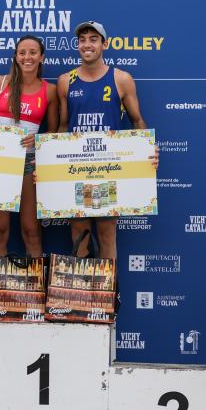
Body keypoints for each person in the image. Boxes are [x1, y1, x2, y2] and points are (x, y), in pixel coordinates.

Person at [57, 21, 159, 258]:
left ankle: (110, 294)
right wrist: (52, 167)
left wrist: (149, 150)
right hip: (75, 169)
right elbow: (62, 128)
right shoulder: (65, 81)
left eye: (93, 39)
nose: (87, 44)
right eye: (82, 40)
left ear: (104, 44)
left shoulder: (121, 79)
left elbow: (137, 121)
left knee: (106, 233)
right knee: (79, 234)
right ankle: (82, 293)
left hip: (109, 169)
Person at [0, 34, 58, 257]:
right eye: (22, 52)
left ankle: (35, 289)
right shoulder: (1, 82)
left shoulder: (50, 90)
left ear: (41, 57)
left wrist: (39, 140)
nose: (27, 57)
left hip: (28, 163)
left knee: (31, 231)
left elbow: (55, 133)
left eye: (33, 52)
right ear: (16, 57)